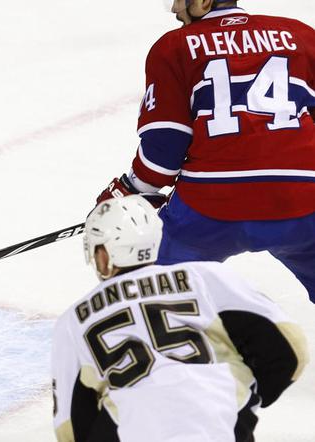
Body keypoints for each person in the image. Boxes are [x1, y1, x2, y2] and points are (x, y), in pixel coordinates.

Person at [95, 0, 315, 301]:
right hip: (303, 201)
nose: (174, 8)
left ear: (203, 1)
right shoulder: (300, 35)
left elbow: (164, 152)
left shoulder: (174, 46)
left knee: (155, 294)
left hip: (211, 207)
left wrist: (128, 190)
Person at [50, 195, 308, 442]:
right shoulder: (206, 277)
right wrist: (238, 399)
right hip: (219, 425)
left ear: (103, 254)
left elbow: (71, 428)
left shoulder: (73, 321)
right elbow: (290, 350)